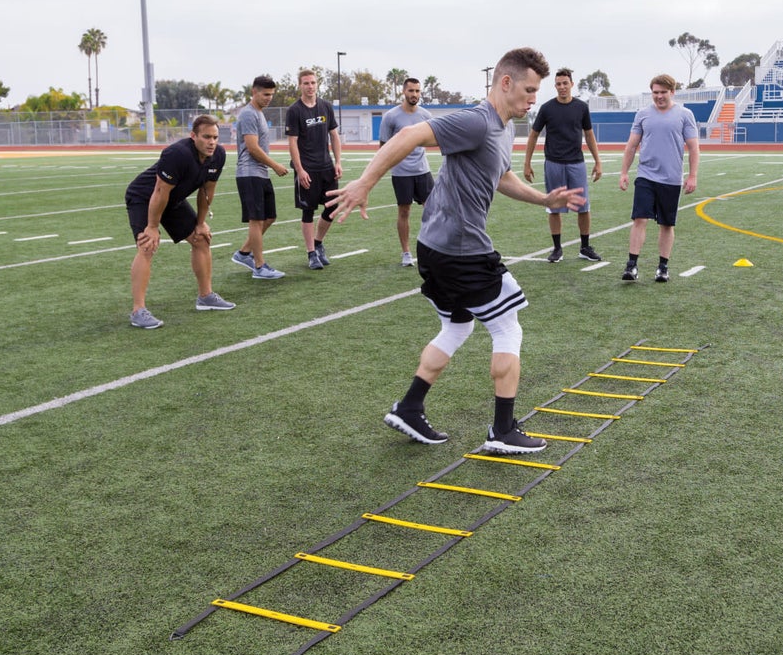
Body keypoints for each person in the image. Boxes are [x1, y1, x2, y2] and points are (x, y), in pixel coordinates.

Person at [330, 48, 584, 454]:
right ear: (506, 82)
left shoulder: (504, 129)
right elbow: (409, 135)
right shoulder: (477, 121)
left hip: (436, 246)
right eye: (529, 90)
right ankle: (502, 430)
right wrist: (364, 183)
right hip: (461, 249)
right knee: (507, 327)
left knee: (457, 326)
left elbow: (500, 175)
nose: (533, 99)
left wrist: (543, 200)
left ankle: (410, 408)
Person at [124, 114, 236, 328]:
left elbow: (207, 191)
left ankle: (205, 296)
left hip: (172, 199)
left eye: (215, 137)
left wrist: (201, 222)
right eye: (206, 137)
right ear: (193, 136)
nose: (212, 142)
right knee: (147, 245)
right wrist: (152, 226)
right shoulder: (177, 154)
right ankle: (138, 310)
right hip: (144, 197)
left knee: (201, 239)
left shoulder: (218, 155)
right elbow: (159, 191)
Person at [618, 73, 699, 283]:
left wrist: (692, 176)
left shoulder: (685, 114)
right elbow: (631, 145)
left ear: (672, 92)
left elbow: (693, 147)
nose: (659, 96)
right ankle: (631, 265)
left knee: (666, 224)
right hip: (646, 175)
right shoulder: (642, 114)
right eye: (655, 92)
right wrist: (624, 172)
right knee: (639, 219)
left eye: (663, 92)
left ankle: (663, 267)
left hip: (671, 178)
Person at [521, 66, 603, 263]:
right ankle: (557, 249)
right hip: (553, 163)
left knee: (583, 206)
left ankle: (585, 247)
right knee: (554, 206)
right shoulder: (547, 108)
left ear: (571, 84)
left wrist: (598, 162)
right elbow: (533, 135)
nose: (562, 87)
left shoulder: (581, 107)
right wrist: (527, 163)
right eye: (558, 84)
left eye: (565, 83)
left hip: (576, 163)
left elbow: (589, 135)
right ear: (555, 86)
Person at [230, 75, 290, 280]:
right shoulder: (248, 114)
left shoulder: (259, 113)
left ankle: (243, 253)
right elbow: (252, 148)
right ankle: (259, 266)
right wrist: (275, 165)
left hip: (260, 174)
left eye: (272, 94)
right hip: (249, 173)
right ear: (253, 92)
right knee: (256, 220)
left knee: (269, 217)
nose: (269, 98)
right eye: (265, 94)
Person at [285, 68, 344, 270]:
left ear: (317, 84)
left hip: (326, 167)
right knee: (308, 211)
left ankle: (318, 243)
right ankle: (311, 253)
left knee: (332, 208)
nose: (310, 86)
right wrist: (300, 170)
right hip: (307, 169)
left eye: (313, 83)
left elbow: (334, 136)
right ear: (300, 85)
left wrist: (338, 162)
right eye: (306, 83)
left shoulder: (326, 107)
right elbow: (292, 142)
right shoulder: (294, 110)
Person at [378, 76, 435, 266]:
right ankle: (406, 253)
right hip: (401, 173)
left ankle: (432, 248)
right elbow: (383, 148)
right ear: (404, 92)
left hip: (422, 171)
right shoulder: (391, 117)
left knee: (433, 209)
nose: (415, 94)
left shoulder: (426, 115)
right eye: (411, 91)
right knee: (404, 211)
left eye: (418, 91)